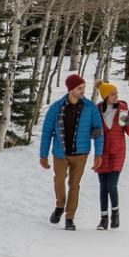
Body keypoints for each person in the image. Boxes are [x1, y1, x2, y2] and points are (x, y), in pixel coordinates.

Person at [39, 72, 103, 231]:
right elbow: (47, 133)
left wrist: (98, 154)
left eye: (83, 88)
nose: (82, 91)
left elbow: (97, 132)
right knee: (59, 180)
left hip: (81, 154)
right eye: (79, 88)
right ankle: (60, 205)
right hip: (60, 153)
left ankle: (69, 217)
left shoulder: (90, 108)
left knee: (74, 185)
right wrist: (43, 155)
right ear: (70, 89)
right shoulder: (56, 108)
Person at [91, 80, 129, 229]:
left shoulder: (122, 109)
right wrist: (94, 133)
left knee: (111, 184)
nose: (116, 96)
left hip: (117, 151)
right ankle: (103, 219)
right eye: (112, 94)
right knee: (103, 186)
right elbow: (94, 131)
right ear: (105, 96)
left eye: (116, 93)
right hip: (102, 152)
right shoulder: (97, 110)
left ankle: (115, 214)